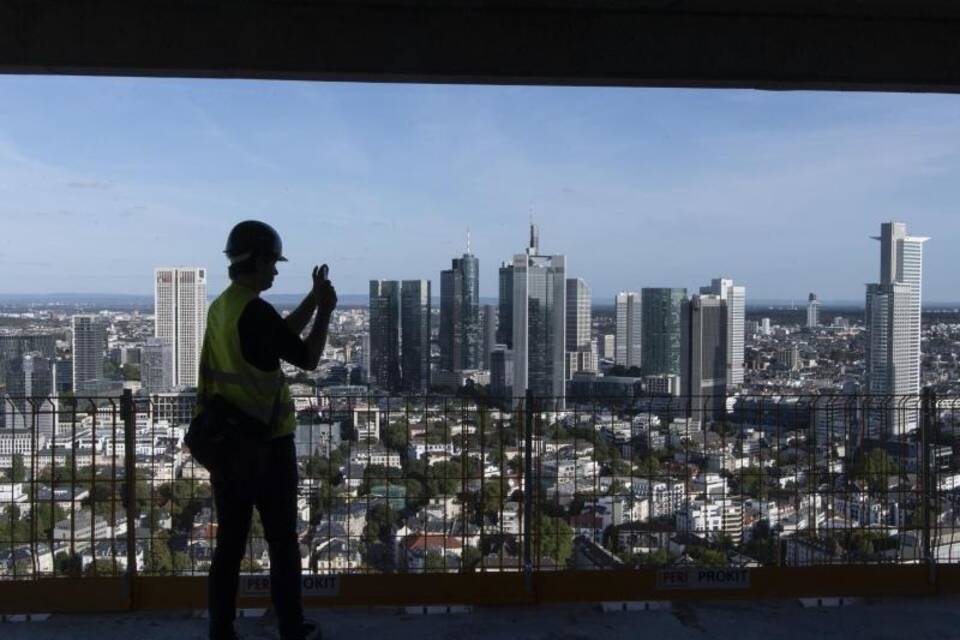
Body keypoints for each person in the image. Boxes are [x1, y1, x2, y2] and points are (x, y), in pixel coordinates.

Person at [197, 220, 337, 640]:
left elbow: (276, 337)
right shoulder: (254, 309)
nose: (275, 271)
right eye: (272, 262)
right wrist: (326, 310)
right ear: (256, 260)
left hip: (225, 440)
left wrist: (311, 300)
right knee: (281, 541)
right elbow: (308, 357)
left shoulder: (224, 306)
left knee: (230, 545)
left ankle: (221, 629)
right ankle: (291, 628)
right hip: (267, 444)